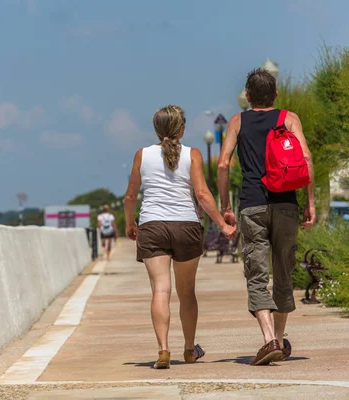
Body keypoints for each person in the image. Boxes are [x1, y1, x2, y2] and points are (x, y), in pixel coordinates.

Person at [124, 105, 236, 369]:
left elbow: (130, 196)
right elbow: (203, 195)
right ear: (181, 128)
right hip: (186, 226)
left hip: (152, 226)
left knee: (161, 290)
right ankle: (189, 348)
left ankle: (163, 350)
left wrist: (131, 223)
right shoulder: (192, 154)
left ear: (157, 129)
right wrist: (222, 224)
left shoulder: (142, 155)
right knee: (187, 293)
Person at [217, 69, 315, 366]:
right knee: (283, 271)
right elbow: (306, 159)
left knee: (257, 274)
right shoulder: (289, 118)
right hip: (286, 203)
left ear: (247, 96)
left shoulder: (237, 121)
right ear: (275, 94)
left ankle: (269, 339)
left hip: (252, 205)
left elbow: (223, 165)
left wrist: (226, 206)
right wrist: (309, 203)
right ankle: (280, 340)